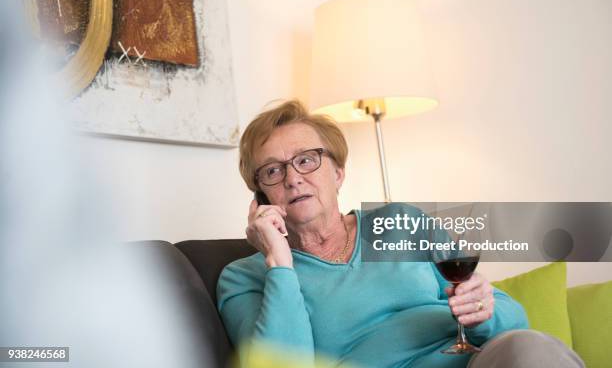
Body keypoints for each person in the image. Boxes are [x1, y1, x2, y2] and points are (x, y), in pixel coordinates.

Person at [217, 100, 584, 367]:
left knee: (530, 349)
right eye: (272, 171)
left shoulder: (399, 223)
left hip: (477, 361)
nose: (293, 177)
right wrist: (281, 264)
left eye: (307, 159)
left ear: (338, 173)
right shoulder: (245, 278)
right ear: (261, 195)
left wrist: (483, 312)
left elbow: (511, 316)